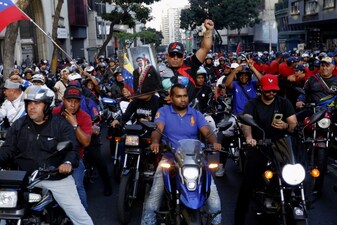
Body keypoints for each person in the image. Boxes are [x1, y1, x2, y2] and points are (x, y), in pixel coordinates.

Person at [0, 85, 93, 225]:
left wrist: (66, 163)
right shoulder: (19, 125)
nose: (32, 107)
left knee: (78, 214)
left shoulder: (61, 125)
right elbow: (8, 149)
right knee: (5, 212)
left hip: (55, 177)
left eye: (37, 103)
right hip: (23, 179)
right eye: (29, 103)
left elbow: (72, 149)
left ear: (47, 106)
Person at [143, 84, 222, 225]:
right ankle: (147, 222)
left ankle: (216, 222)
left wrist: (215, 142)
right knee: (154, 198)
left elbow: (207, 131)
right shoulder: (164, 112)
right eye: (178, 96)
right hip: (170, 158)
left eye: (185, 96)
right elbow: (157, 129)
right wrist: (155, 141)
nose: (182, 99)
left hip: (196, 159)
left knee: (214, 201)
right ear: (171, 98)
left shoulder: (195, 114)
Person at [233, 74, 297, 225]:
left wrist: (286, 126)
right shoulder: (253, 104)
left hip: (281, 144)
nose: (271, 93)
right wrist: (249, 138)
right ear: (261, 89)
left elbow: (293, 123)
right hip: (259, 145)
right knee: (248, 183)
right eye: (268, 90)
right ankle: (238, 218)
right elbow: (246, 122)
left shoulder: (284, 103)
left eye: (274, 90)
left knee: (296, 174)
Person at [52, 85, 93, 209]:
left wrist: (75, 125)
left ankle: (83, 217)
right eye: (69, 101)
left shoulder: (84, 117)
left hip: (75, 157)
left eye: (76, 101)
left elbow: (86, 142)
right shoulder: (54, 113)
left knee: (77, 186)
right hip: (52, 156)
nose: (72, 105)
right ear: (63, 100)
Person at [160, 19, 215, 102]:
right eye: (172, 55)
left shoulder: (190, 64)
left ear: (183, 56)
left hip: (189, 111)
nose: (175, 58)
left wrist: (208, 31)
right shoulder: (159, 71)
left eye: (178, 55)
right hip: (167, 112)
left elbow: (205, 49)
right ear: (167, 56)